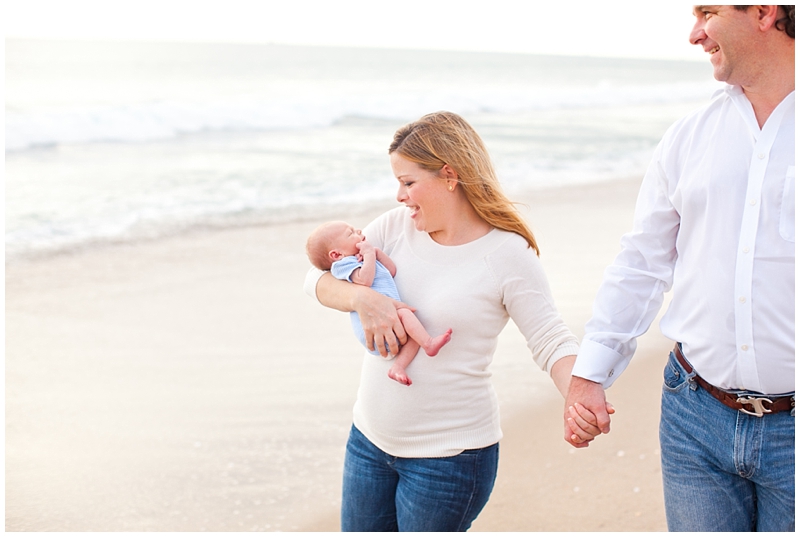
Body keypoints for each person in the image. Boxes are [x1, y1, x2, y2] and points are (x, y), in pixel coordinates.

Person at [304, 111, 599, 531]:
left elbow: (550, 339)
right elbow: (314, 278)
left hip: (449, 461)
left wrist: (580, 394)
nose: (399, 196)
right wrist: (362, 298)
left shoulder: (506, 254)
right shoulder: (393, 228)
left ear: (449, 175)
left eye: (408, 182)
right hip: (368, 441)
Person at [564, 5, 795, 532]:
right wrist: (589, 375)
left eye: (707, 12)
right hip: (695, 415)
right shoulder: (689, 137)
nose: (695, 34)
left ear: (763, 11)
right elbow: (641, 262)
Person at [305, 220, 453, 385]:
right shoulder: (344, 265)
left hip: (389, 322)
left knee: (414, 333)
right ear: (336, 255)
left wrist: (376, 254)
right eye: (351, 233)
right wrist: (368, 255)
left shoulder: (362, 258)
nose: (359, 231)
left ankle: (399, 366)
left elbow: (391, 271)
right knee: (405, 314)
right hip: (373, 331)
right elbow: (365, 280)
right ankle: (428, 343)